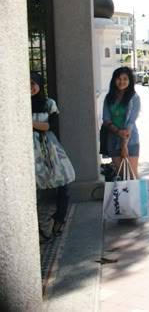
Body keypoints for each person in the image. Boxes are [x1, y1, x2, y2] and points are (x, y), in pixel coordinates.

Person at [31, 72, 76, 240]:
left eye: (33, 83)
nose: (31, 87)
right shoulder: (21, 103)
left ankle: (59, 219)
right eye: (27, 83)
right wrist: (39, 125)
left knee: (63, 183)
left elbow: (51, 126)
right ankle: (38, 228)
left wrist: (31, 124)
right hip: (29, 151)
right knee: (36, 189)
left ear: (39, 85)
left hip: (50, 149)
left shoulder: (49, 104)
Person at [102, 67, 141, 179]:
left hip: (131, 140)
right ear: (114, 80)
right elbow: (106, 119)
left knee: (132, 176)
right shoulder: (109, 98)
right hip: (113, 140)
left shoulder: (134, 98)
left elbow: (131, 122)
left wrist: (124, 145)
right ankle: (126, 197)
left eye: (125, 79)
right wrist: (117, 131)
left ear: (130, 81)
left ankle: (137, 197)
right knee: (122, 176)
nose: (121, 81)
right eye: (118, 78)